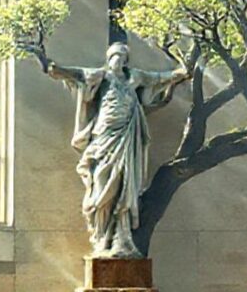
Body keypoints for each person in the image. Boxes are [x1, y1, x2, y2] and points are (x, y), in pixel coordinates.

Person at [46, 43, 189, 257]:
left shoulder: (135, 77)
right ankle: (102, 238)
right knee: (102, 186)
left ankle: (122, 238)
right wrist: (57, 70)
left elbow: (159, 78)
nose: (118, 60)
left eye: (122, 57)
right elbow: (76, 74)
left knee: (125, 184)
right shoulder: (101, 76)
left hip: (127, 135)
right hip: (105, 136)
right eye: (115, 56)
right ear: (109, 57)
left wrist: (179, 74)